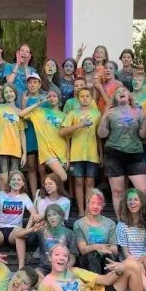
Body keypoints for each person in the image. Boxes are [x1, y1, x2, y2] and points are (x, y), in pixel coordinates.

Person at [98, 87, 146, 218]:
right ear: (115, 98)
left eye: (124, 91)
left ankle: (144, 219)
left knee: (144, 190)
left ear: (129, 96)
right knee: (118, 191)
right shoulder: (110, 112)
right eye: (118, 92)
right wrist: (104, 117)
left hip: (135, 154)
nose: (121, 92)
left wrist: (145, 119)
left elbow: (144, 135)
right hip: (114, 154)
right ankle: (121, 222)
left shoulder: (138, 111)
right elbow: (102, 134)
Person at [0, 171, 39, 269]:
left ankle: (21, 267)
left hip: (14, 231)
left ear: (23, 183)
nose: (16, 182)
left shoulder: (24, 197)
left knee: (19, 233)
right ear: (9, 183)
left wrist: (26, 229)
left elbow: (34, 214)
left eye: (19, 180)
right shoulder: (1, 194)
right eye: (13, 179)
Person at [60, 87, 101, 215]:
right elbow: (62, 131)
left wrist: (101, 153)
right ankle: (81, 211)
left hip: (92, 153)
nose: (85, 98)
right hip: (76, 154)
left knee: (90, 182)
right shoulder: (73, 113)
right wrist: (80, 124)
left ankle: (89, 210)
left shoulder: (97, 113)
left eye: (87, 96)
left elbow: (99, 136)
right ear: (78, 99)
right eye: (82, 96)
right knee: (78, 182)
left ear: (91, 98)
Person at [19, 89, 69, 183]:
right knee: (63, 177)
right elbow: (21, 114)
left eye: (54, 96)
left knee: (58, 179)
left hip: (61, 151)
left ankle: (44, 188)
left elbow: (67, 139)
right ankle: (43, 185)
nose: (51, 98)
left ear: (59, 98)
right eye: (49, 97)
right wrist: (38, 103)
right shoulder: (40, 111)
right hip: (47, 152)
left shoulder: (65, 116)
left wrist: (67, 158)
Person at [16, 203, 78, 278]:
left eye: (54, 214)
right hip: (44, 268)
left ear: (61, 216)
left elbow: (72, 258)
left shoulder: (70, 233)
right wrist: (31, 229)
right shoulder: (41, 231)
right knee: (36, 276)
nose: (52, 218)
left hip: (62, 267)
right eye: (49, 215)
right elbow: (18, 235)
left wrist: (64, 269)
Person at [73, 189, 120, 273]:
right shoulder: (79, 224)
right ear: (87, 204)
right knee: (93, 256)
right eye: (92, 203)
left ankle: (108, 280)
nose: (95, 206)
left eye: (99, 204)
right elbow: (82, 250)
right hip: (87, 259)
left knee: (109, 257)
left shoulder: (110, 223)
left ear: (102, 205)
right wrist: (97, 247)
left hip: (105, 257)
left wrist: (106, 249)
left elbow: (115, 249)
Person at [21, 72, 47, 195]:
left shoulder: (45, 98)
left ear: (39, 84)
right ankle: (33, 195)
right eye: (30, 82)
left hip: (42, 137)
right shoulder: (24, 98)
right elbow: (21, 116)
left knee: (42, 168)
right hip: (29, 136)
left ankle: (43, 193)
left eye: (35, 82)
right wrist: (24, 103)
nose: (32, 85)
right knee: (31, 167)